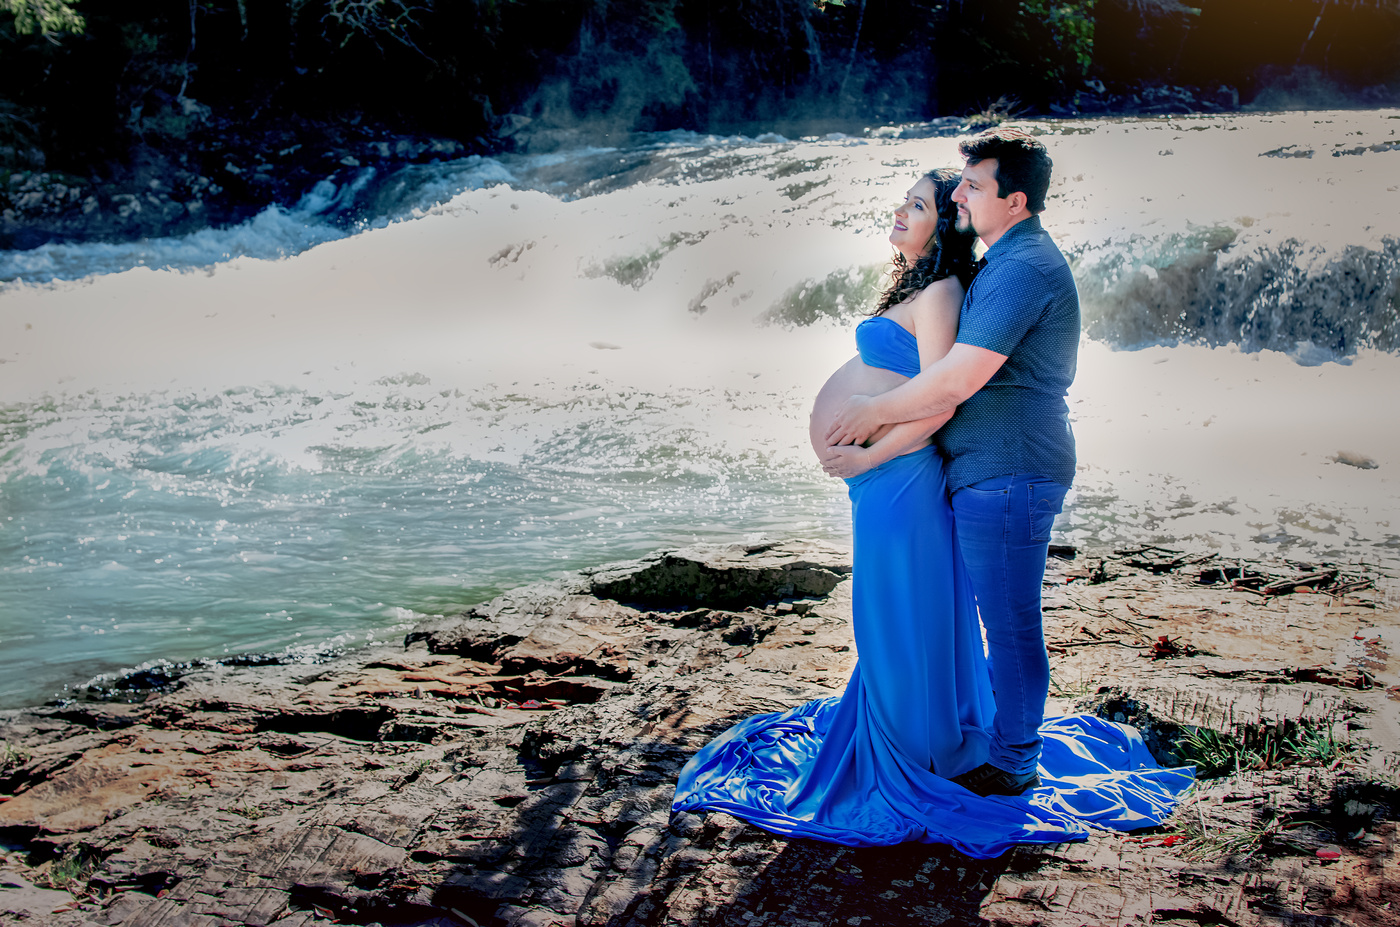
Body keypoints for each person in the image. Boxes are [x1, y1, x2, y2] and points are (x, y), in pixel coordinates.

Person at [671, 164, 1192, 857]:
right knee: (891, 613)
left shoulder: (943, 290)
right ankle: (910, 735)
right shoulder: (922, 286)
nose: (901, 210)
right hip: (884, 480)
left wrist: (870, 455)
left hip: (900, 478)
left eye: (917, 205)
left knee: (896, 612)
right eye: (906, 200)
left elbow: (943, 401)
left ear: (943, 225)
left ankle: (912, 755)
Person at [823, 128, 1079, 799]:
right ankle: (987, 738)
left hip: (1009, 469)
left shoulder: (1022, 268)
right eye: (959, 185)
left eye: (973, 185)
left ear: (1015, 200)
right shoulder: (1002, 262)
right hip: (986, 469)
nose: (960, 194)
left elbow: (956, 380)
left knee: (1011, 624)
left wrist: (871, 417)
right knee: (983, 616)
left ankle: (1014, 760)